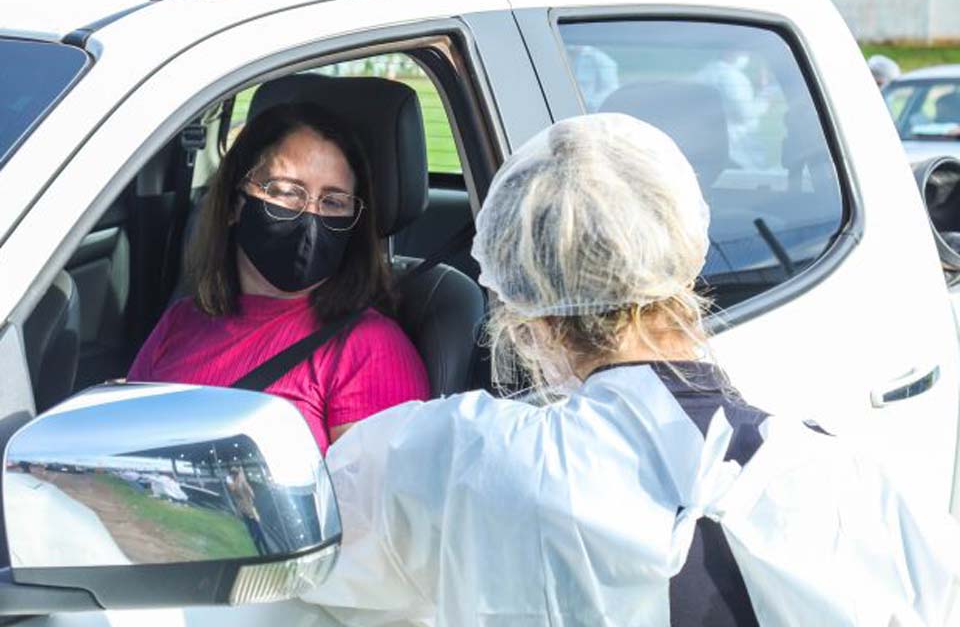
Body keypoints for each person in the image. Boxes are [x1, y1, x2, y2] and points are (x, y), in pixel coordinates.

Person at [304, 114, 960, 626]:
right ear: (683, 261)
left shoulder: (449, 461)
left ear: (520, 307)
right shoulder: (857, 488)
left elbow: (305, 555)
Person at [128, 102, 430, 453]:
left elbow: (374, 503)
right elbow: (122, 441)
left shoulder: (370, 349)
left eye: (333, 202)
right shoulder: (181, 321)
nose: (311, 216)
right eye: (287, 191)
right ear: (233, 204)